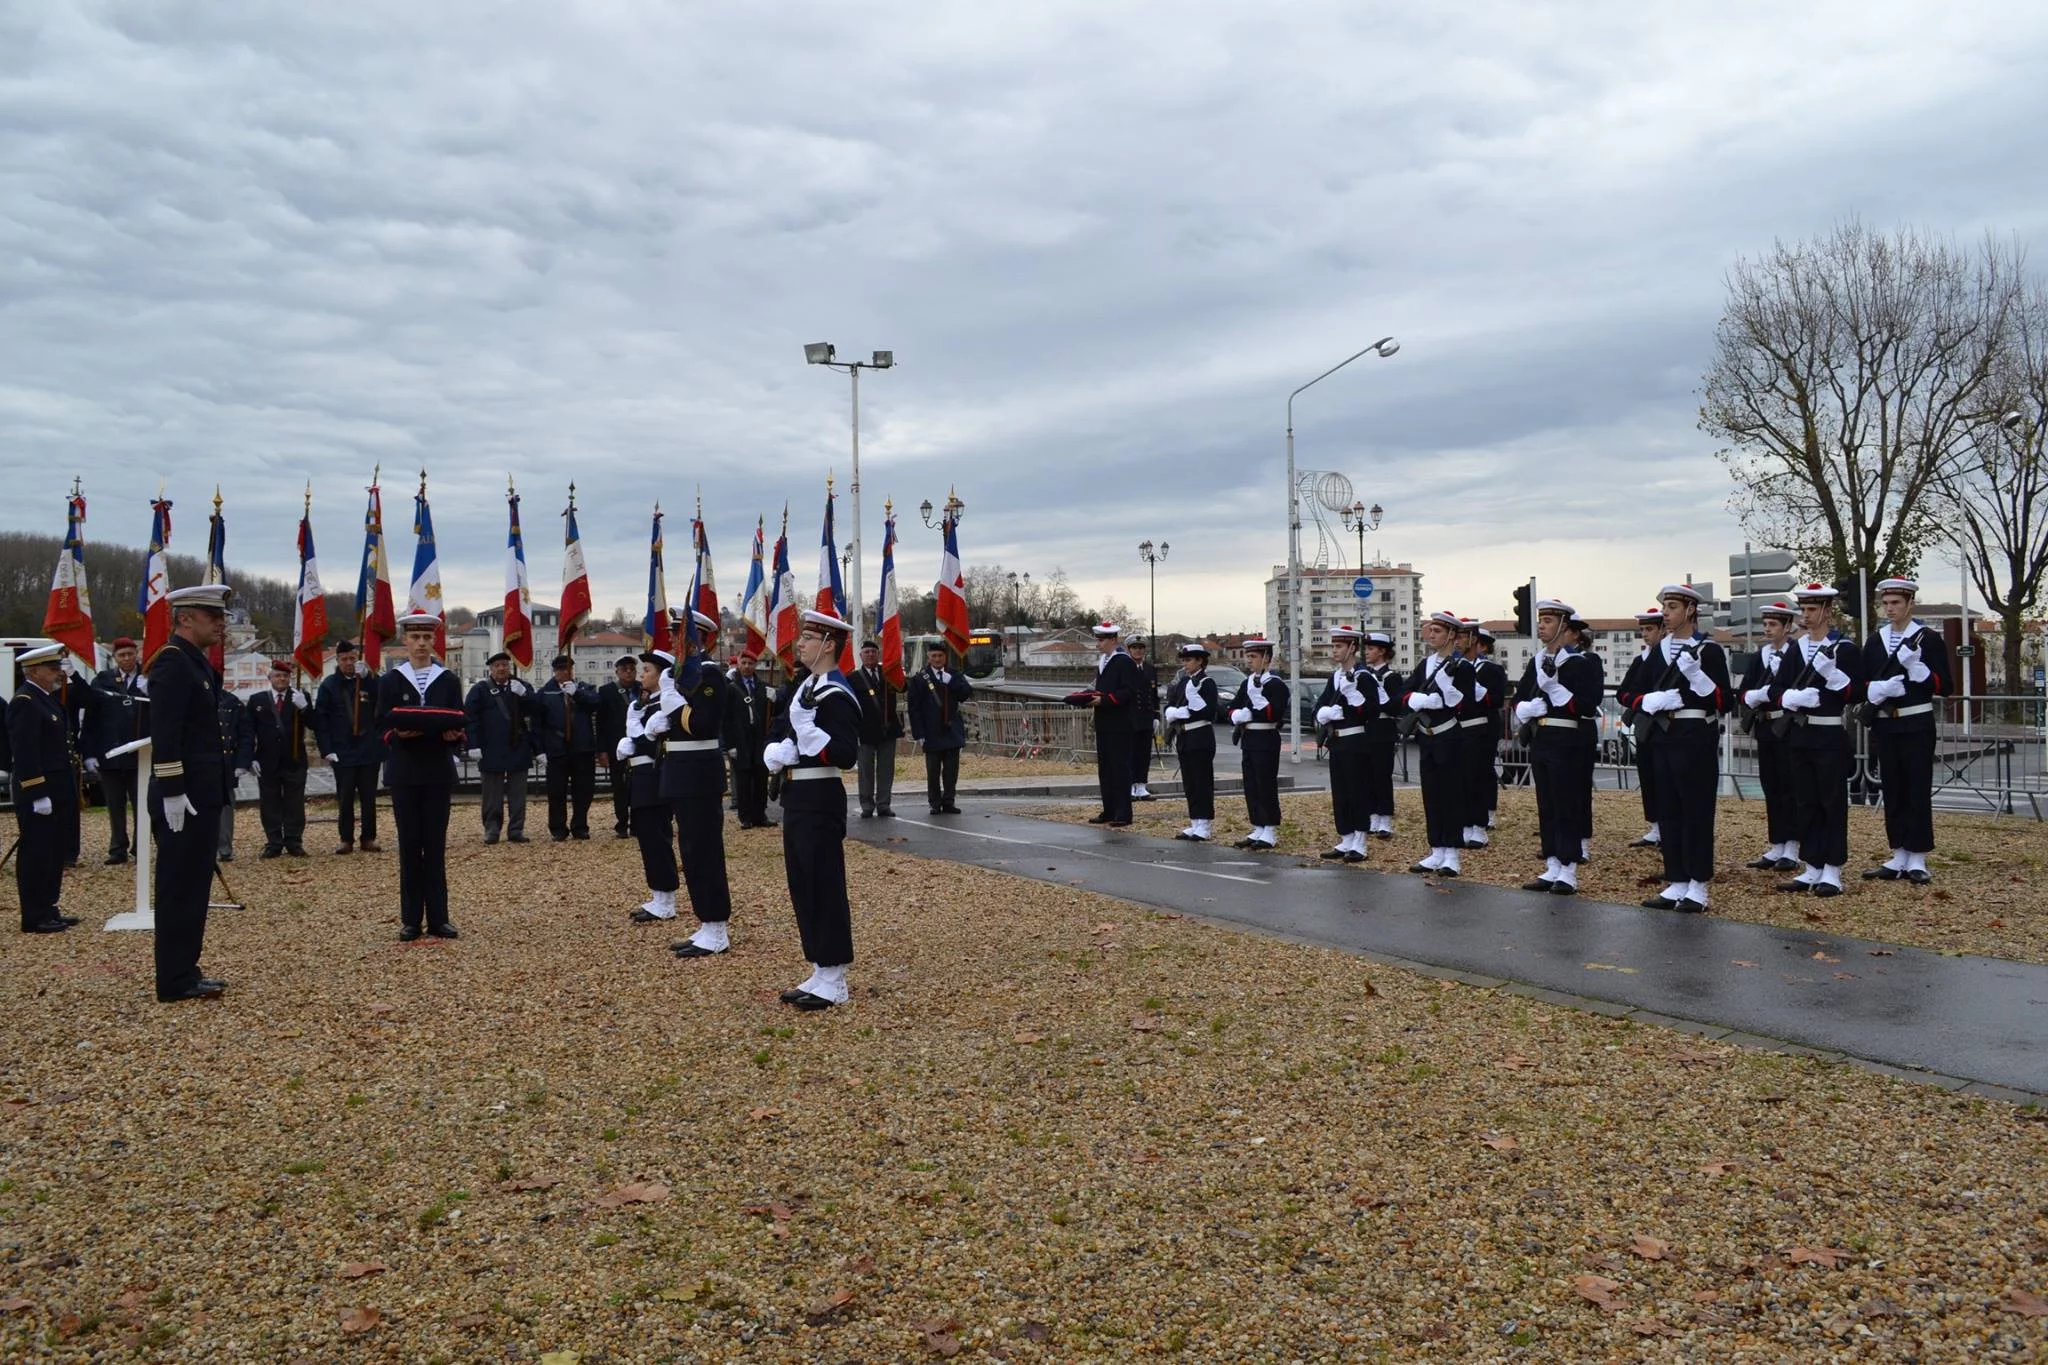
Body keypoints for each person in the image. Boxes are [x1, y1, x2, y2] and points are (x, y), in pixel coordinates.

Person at [761, 609, 863, 1009]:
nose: (799, 643)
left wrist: (806, 733)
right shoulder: (807, 686)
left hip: (820, 798)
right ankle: (821, 968)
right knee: (804, 885)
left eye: (807, 638)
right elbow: (787, 733)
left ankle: (835, 978)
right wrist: (781, 748)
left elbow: (845, 754)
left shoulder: (837, 693)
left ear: (829, 645)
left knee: (824, 886)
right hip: (798, 797)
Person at [147, 586, 235, 998]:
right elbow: (166, 732)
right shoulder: (172, 663)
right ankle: (173, 979)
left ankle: (185, 969)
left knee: (194, 885)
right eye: (211, 615)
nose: (220, 623)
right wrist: (172, 789)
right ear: (185, 618)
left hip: (201, 793)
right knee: (179, 886)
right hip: (183, 796)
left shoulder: (194, 663)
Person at [1634, 584, 1734, 912]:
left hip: (1695, 736)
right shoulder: (1658, 653)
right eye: (1664, 605)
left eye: (1673, 606)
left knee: (1696, 812)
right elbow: (1629, 694)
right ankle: (1676, 880)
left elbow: (1723, 700)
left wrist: (1698, 678)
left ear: (1691, 609)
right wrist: (1647, 700)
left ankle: (1698, 885)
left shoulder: (1708, 651)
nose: (1666, 612)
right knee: (1669, 812)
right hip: (1663, 736)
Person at [1770, 584, 1863, 899]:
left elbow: (1857, 693)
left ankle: (1833, 868)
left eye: (1812, 610)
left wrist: (1835, 677)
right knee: (1805, 801)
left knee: (1831, 803)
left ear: (1827, 611)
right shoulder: (1796, 648)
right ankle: (1812, 864)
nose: (1805, 616)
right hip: (1800, 734)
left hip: (1828, 733)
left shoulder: (1844, 649)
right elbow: (1778, 688)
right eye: (1803, 609)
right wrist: (1791, 697)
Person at [378, 613, 466, 940]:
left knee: (435, 846)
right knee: (409, 846)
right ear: (405, 641)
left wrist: (454, 737)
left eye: (426, 638)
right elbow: (380, 725)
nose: (421, 644)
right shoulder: (391, 680)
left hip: (437, 771)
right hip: (404, 772)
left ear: (434, 641)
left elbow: (459, 720)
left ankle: (439, 918)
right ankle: (411, 919)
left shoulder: (448, 680)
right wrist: (399, 734)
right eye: (415, 638)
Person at [1861, 577, 1951, 885]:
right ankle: (1898, 851)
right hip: (1887, 724)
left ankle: (1918, 855)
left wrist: (1919, 670)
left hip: (1916, 722)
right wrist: (1877, 688)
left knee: (1916, 787)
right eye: (1885, 603)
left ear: (1910, 603)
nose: (1889, 609)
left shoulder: (1927, 639)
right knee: (1894, 788)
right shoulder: (1876, 641)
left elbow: (1945, 685)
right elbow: (1862, 682)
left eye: (1896, 603)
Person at [1512, 602, 1605, 894]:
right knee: (1547, 805)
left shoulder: (1583, 662)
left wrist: (1556, 691)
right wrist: (1525, 707)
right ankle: (1552, 863)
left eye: (1549, 620)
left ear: (1564, 626)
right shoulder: (1537, 660)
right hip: (1542, 739)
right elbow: (1520, 695)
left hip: (1569, 740)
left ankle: (1568, 869)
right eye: (1541, 620)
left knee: (1567, 805)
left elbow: (1589, 705)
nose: (1542, 625)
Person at [659, 612, 735, 957]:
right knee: (690, 850)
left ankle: (717, 927)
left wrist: (673, 707)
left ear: (697, 637)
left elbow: (703, 725)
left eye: (679, 633)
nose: (673, 639)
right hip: (680, 770)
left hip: (699, 773)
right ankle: (706, 922)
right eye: (673, 633)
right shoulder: (678, 675)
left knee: (704, 850)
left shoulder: (708, 675)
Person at [9, 643, 81, 933]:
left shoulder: (46, 699)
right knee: (36, 853)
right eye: (52, 669)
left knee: (54, 851)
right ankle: (33, 915)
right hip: (39, 790)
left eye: (58, 668)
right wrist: (37, 793)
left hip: (58, 787)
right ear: (34, 670)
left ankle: (49, 907)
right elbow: (25, 752)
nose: (57, 674)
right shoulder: (25, 701)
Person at [1402, 611, 1474, 875]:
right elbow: (1404, 691)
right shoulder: (1426, 664)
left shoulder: (1462, 666)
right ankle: (1436, 849)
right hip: (1427, 735)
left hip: (1449, 735)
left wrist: (1447, 692)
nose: (1431, 635)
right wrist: (1416, 700)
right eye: (1430, 630)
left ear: (1452, 635)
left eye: (1438, 631)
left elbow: (1466, 703)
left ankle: (1452, 853)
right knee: (1431, 795)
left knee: (1451, 795)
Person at [1736, 602, 1802, 871]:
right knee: (1771, 786)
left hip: (1786, 727)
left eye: (1773, 625)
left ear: (1787, 627)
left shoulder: (1796, 653)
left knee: (1790, 787)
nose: (1767, 629)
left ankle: (1793, 846)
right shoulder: (1759, 656)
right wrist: (1753, 696)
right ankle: (1777, 843)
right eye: (1765, 624)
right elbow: (1742, 692)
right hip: (1765, 728)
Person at [1313, 625, 1383, 863]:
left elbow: (1372, 710)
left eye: (1339, 646)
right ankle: (1346, 837)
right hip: (1337, 742)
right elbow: (1320, 703)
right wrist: (1323, 711)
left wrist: (1353, 701)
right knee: (1341, 792)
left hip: (1355, 740)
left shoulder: (1363, 677)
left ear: (1353, 647)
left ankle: (1360, 840)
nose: (1334, 650)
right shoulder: (1335, 677)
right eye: (1333, 645)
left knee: (1357, 791)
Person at [620, 651, 681, 923]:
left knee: (657, 838)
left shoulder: (665, 705)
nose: (642, 674)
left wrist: (638, 739)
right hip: (641, 777)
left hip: (656, 777)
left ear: (662, 675)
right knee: (646, 837)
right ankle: (658, 894)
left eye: (647, 670)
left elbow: (661, 745)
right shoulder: (644, 704)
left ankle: (666, 899)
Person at [315, 640, 384, 855]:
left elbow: (383, 698)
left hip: (368, 748)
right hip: (342, 750)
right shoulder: (329, 685)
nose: (348, 663)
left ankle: (368, 837)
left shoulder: (367, 682)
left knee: (369, 797)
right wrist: (327, 749)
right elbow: (321, 720)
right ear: (337, 660)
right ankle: (346, 839)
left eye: (352, 658)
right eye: (344, 659)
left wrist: (370, 678)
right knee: (345, 797)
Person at [85, 636, 149, 866]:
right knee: (115, 805)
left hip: (140, 754)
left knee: (142, 804)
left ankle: (140, 846)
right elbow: (91, 719)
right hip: (110, 754)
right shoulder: (103, 681)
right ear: (115, 658)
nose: (127, 659)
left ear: (137, 654)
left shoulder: (147, 678)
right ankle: (117, 847)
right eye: (122, 655)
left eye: (130, 654)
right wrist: (89, 753)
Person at [463, 652, 539, 844]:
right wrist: (473, 744)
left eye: (505, 664)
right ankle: (492, 828)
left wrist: (525, 695)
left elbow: (538, 710)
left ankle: (516, 829)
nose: (502, 668)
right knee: (492, 794)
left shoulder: (521, 687)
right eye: (497, 665)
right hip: (491, 747)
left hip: (517, 745)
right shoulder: (480, 689)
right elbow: (471, 718)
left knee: (518, 793)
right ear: (491, 668)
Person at [1226, 636, 1289, 850]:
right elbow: (1231, 707)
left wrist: (1258, 702)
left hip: (1266, 737)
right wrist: (1238, 714)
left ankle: (1270, 828)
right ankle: (1258, 825)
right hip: (1249, 738)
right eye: (1248, 656)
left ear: (1266, 658)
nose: (1248, 661)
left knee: (1265, 783)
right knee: (1251, 784)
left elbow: (1275, 713)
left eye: (1253, 656)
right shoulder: (1247, 683)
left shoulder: (1276, 685)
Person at [1614, 607, 1669, 849]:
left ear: (1662, 630)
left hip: (1669, 726)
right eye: (1642, 630)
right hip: (1646, 724)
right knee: (1648, 776)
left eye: (1649, 629)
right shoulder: (1640, 661)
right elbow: (1623, 692)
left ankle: (1668, 827)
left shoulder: (1670, 657)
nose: (1645, 635)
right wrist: (1642, 701)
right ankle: (1655, 827)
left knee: (1666, 779)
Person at [247, 659, 312, 858]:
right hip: (267, 761)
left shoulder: (300, 697)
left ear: (290, 678)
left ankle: (294, 841)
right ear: (270, 678)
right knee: (270, 803)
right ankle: (273, 842)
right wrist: (250, 758)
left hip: (294, 760)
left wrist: (305, 708)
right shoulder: (257, 700)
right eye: (277, 675)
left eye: (285, 676)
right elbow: (248, 731)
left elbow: (316, 724)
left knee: (295, 803)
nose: (281, 679)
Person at [1085, 623, 1143, 827]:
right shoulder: (1104, 661)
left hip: (1119, 723)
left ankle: (1123, 812)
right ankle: (1109, 808)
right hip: (1104, 722)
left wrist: (1105, 701)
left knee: (1120, 768)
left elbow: (1128, 691)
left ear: (1112, 640)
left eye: (1101, 640)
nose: (1098, 644)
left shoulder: (1124, 662)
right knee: (1106, 769)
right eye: (1098, 640)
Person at [1162, 641, 1221, 841]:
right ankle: (1195, 821)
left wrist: (1183, 713)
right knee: (1190, 782)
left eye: (1189, 660)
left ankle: (1204, 823)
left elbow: (1209, 711)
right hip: (1185, 737)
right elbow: (1171, 703)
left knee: (1202, 781)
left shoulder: (1207, 683)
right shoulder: (1183, 682)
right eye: (1184, 660)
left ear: (1200, 661)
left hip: (1200, 736)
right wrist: (1173, 711)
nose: (1185, 664)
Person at [538, 653, 599, 840]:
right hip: (556, 749)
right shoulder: (545, 693)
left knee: (583, 790)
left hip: (582, 748)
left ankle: (580, 825)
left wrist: (577, 693)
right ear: (554, 671)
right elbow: (538, 723)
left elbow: (595, 704)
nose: (563, 673)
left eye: (566, 669)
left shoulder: (584, 688)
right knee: (556, 791)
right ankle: (557, 828)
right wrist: (539, 749)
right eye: (559, 669)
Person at [906, 641, 972, 815]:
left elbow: (965, 694)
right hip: (931, 731)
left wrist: (952, 683)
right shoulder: (920, 678)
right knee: (933, 771)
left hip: (951, 730)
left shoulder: (954, 675)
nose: (937, 659)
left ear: (945, 657)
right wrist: (918, 733)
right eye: (933, 656)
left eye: (940, 656)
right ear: (929, 658)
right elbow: (914, 708)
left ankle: (949, 801)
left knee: (951, 771)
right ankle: (934, 802)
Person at [1462, 622, 1508, 843]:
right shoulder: (1457, 666)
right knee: (1464, 775)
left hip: (1484, 726)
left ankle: (1486, 814)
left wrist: (1479, 691)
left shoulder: (1492, 670)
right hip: (1461, 728)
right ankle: (1466, 818)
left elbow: (1496, 699)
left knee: (1482, 773)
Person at [851, 638, 905, 818]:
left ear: (878, 654)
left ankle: (884, 804)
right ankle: (867, 805)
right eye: (866, 652)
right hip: (865, 730)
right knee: (866, 770)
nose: (870, 655)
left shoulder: (889, 673)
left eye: (873, 652)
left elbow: (903, 687)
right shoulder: (854, 678)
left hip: (888, 728)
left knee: (886, 769)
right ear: (861, 656)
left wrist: (897, 671)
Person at [722, 648, 775, 828]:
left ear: (755, 665)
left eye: (750, 663)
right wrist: (729, 745)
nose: (746, 667)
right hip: (740, 740)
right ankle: (745, 817)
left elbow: (770, 715)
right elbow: (726, 719)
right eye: (743, 663)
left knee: (761, 778)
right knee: (743, 780)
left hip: (759, 739)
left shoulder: (762, 687)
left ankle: (760, 815)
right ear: (738, 664)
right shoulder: (730, 688)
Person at [1358, 631, 1401, 839]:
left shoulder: (1392, 678)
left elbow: (1396, 706)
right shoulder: (1364, 675)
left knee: (1382, 775)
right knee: (1366, 775)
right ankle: (1372, 814)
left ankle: (1385, 818)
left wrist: (1382, 699)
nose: (1367, 652)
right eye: (1366, 649)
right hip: (1367, 728)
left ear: (1382, 651)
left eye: (1371, 649)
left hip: (1383, 729)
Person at [596, 655, 640, 839]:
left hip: (639, 745)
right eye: (624, 669)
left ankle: (637, 823)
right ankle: (622, 823)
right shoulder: (606, 691)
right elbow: (601, 723)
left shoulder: (642, 688)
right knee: (619, 786)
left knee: (639, 786)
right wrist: (602, 750)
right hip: (616, 747)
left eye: (631, 669)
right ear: (617, 672)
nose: (628, 672)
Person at [215, 689, 252, 862]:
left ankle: (224, 847)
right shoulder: (192, 695)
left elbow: (245, 735)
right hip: (199, 761)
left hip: (226, 762)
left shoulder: (233, 702)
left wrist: (242, 763)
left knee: (225, 807)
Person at [1128, 638, 1160, 802]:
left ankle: (1141, 785)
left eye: (1141, 647)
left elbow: (1154, 696)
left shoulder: (1149, 669)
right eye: (1135, 647)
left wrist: (1156, 716)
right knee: (1131, 753)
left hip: (1146, 717)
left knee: (1144, 753)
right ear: (1129, 649)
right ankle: (1131, 785)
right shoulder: (1126, 668)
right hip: (1131, 717)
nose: (1138, 651)